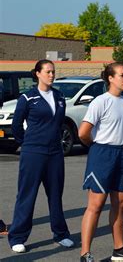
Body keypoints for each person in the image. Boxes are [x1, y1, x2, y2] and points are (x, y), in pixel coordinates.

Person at [9, 59, 73, 253]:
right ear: (37, 74)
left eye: (53, 72)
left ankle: (61, 234)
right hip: (33, 153)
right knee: (27, 195)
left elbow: (59, 123)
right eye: (47, 72)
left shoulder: (60, 97)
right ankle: (17, 237)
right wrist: (27, 144)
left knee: (55, 195)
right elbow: (16, 126)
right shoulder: (27, 98)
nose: (51, 75)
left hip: (55, 153)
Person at [79, 63, 123, 262]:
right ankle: (85, 253)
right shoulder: (100, 102)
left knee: (120, 204)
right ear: (110, 78)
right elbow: (83, 132)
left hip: (122, 153)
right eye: (122, 75)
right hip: (102, 153)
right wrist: (97, 148)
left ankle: (119, 249)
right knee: (96, 205)